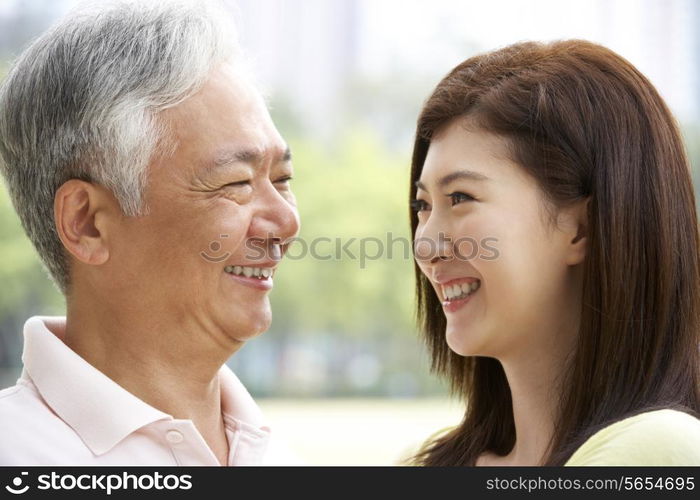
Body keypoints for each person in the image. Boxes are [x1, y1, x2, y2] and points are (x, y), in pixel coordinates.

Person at [0, 0, 299, 466]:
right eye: (236, 183)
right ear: (88, 224)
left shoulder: (272, 454)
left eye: (282, 180)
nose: (286, 221)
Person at [408, 40, 700, 466]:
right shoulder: (426, 463)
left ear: (581, 229)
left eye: (460, 197)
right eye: (422, 206)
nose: (425, 245)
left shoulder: (661, 452)